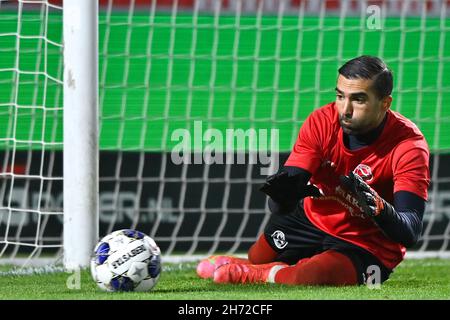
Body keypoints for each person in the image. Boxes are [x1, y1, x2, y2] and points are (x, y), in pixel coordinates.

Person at [196, 55, 430, 286]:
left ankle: (258, 274)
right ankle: (265, 267)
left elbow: (409, 231)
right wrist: (281, 199)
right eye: (340, 96)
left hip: (365, 243)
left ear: (385, 103)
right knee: (257, 256)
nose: (345, 109)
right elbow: (284, 197)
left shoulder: (409, 146)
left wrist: (379, 209)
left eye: (358, 100)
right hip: (311, 219)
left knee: (306, 277)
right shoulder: (322, 121)